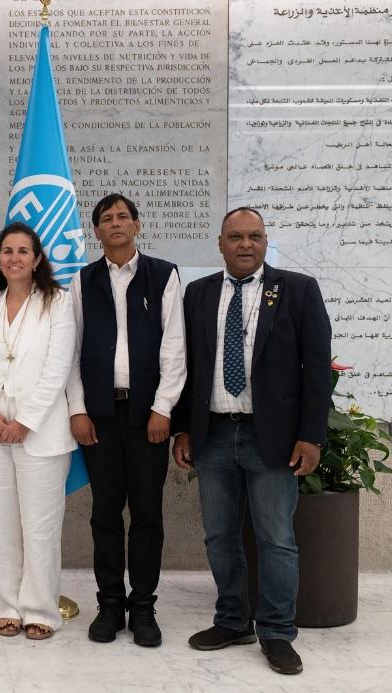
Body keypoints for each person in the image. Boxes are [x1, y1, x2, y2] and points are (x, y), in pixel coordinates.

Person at [172, 207, 331, 675]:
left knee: (276, 539)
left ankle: (278, 632)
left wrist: (310, 436)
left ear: (265, 243)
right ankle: (232, 620)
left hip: (273, 438)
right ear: (220, 243)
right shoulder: (198, 294)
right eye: (235, 237)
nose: (245, 244)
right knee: (220, 535)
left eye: (254, 237)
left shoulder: (298, 290)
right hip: (215, 433)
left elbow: (317, 370)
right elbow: (186, 369)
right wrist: (184, 427)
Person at [64, 192, 186, 647]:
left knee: (148, 514)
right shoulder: (83, 281)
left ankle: (144, 607)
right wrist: (77, 410)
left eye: (122, 217)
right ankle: (110, 604)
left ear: (137, 224)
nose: (115, 224)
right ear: (96, 232)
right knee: (104, 515)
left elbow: (175, 347)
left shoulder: (163, 276)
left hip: (147, 417)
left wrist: (162, 408)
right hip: (100, 417)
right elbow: (71, 353)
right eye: (106, 219)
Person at [0, 222, 77, 641]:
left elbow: (58, 367)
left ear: (37, 259)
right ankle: (5, 607)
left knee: (40, 528)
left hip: (41, 432)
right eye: (7, 251)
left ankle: (39, 610)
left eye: (23, 251)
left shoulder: (58, 303)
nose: (14, 258)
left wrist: (25, 421)